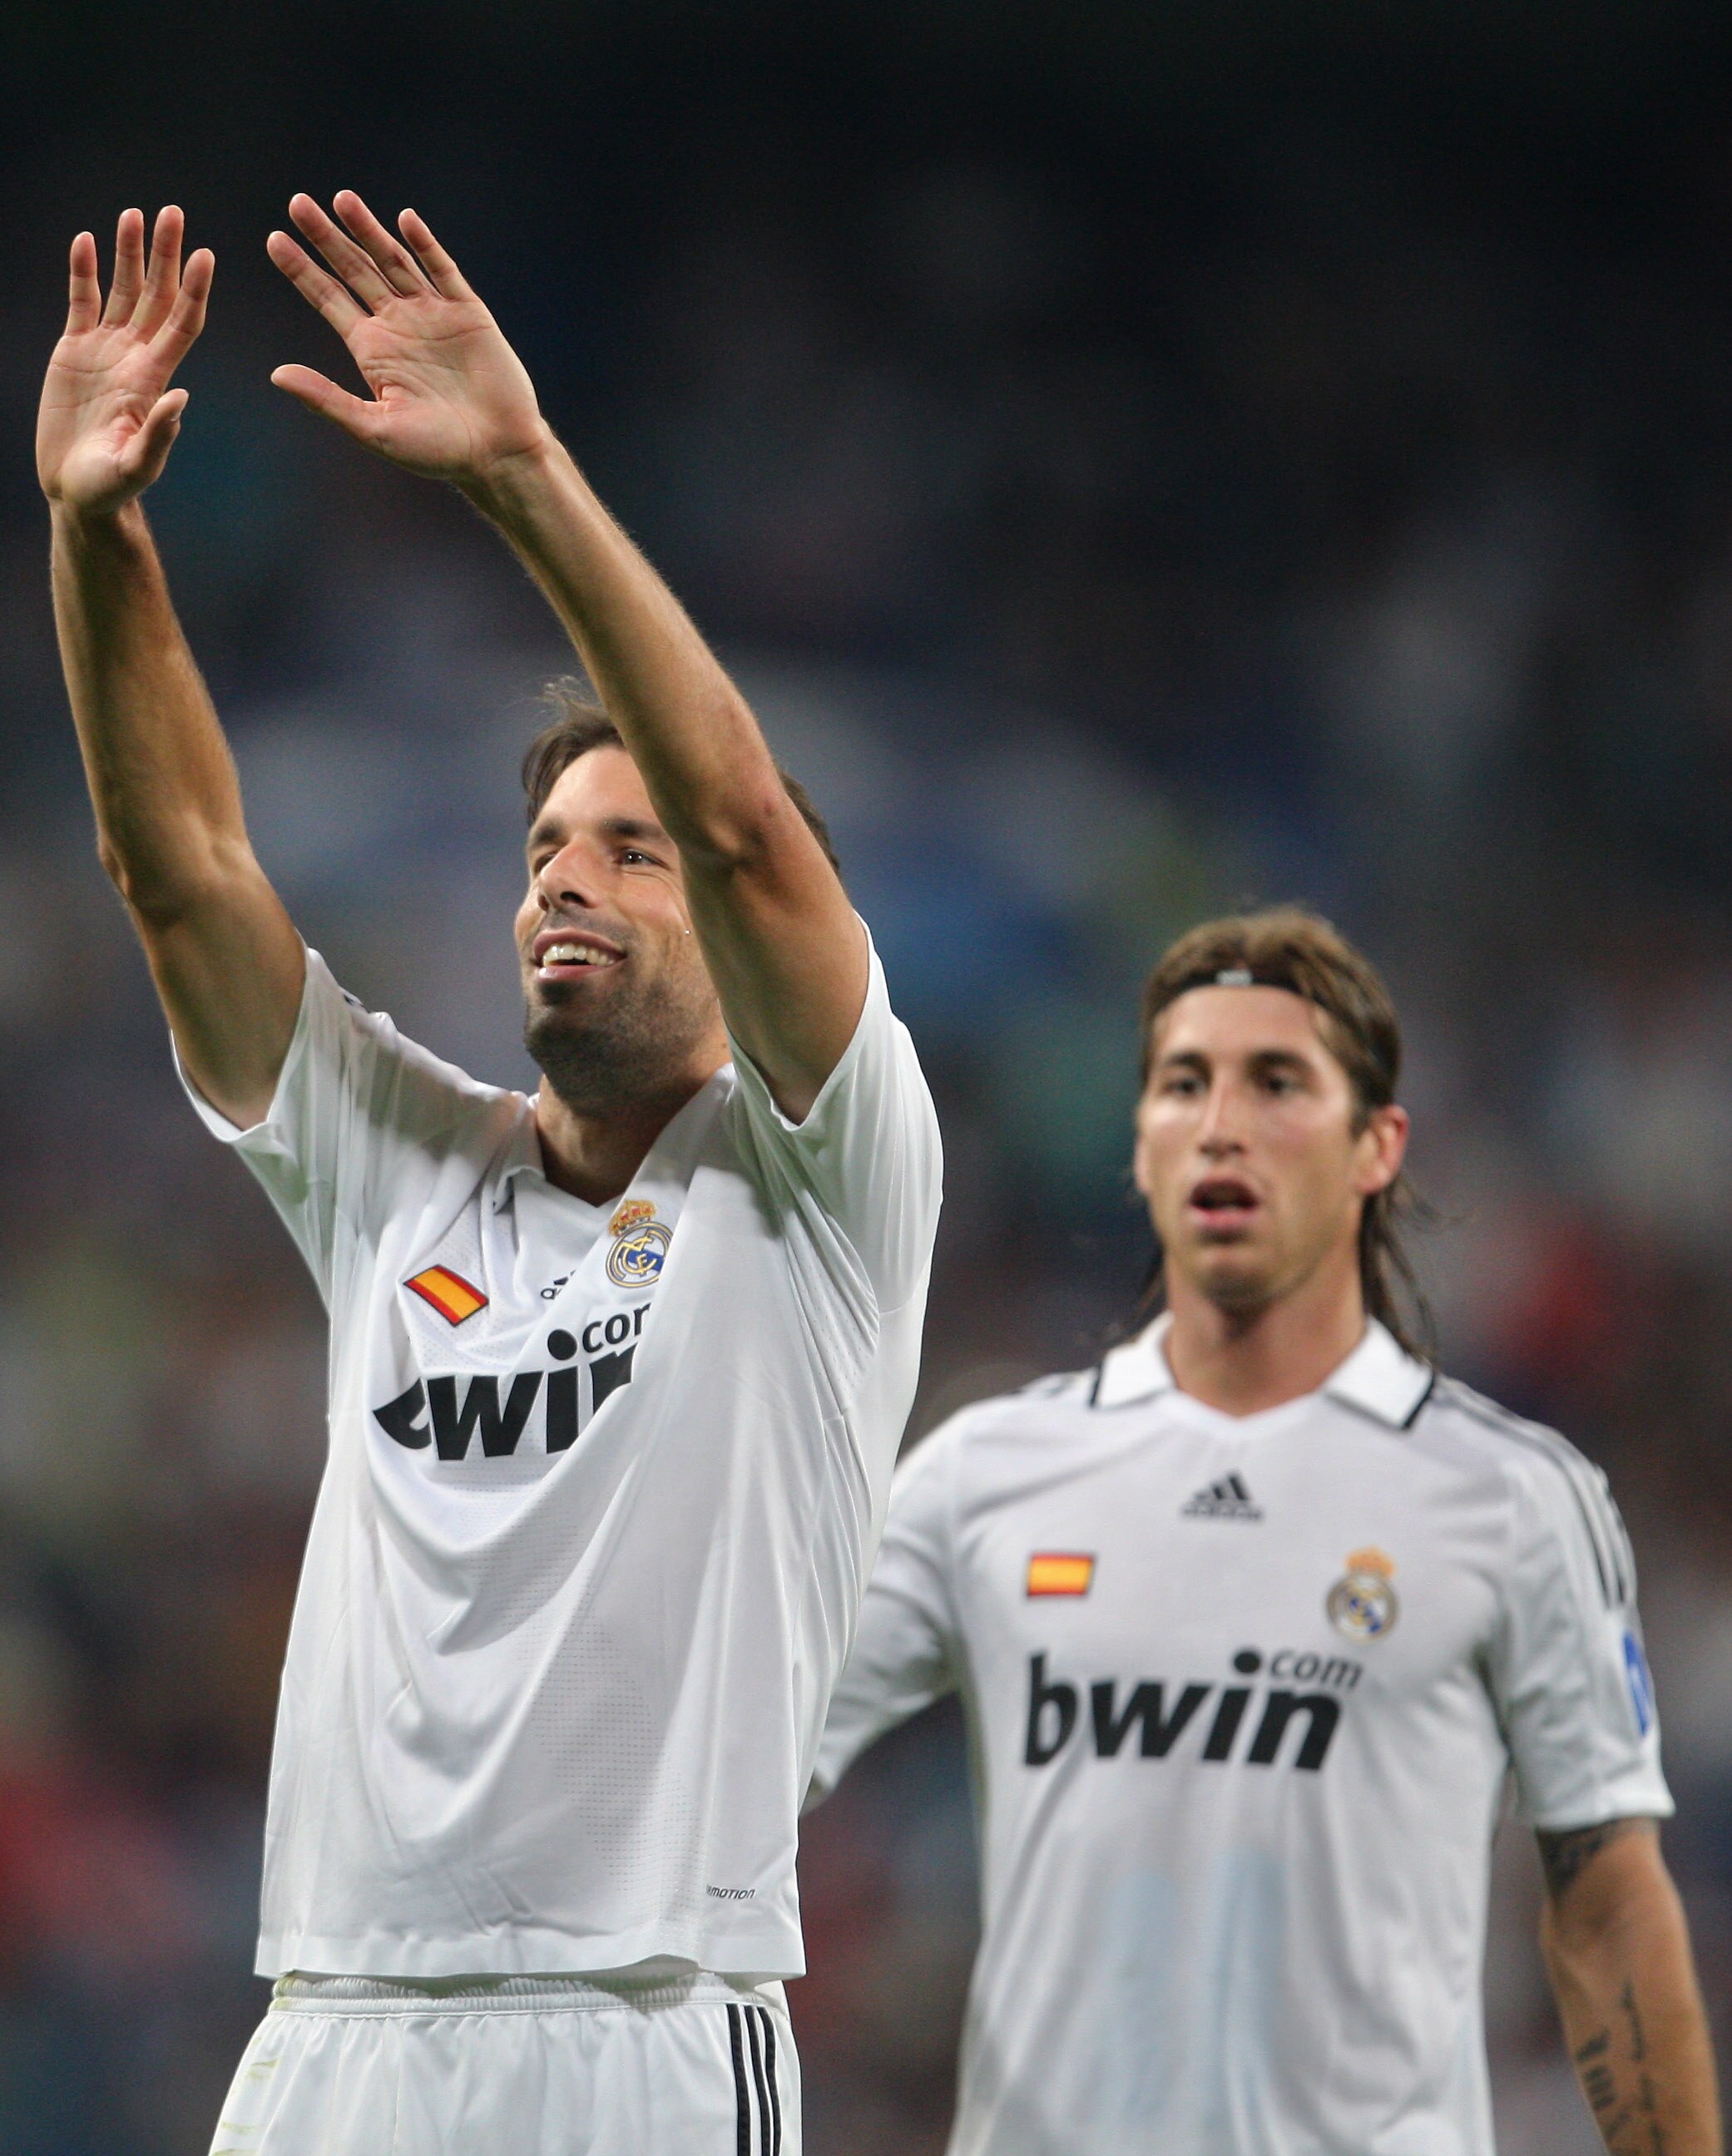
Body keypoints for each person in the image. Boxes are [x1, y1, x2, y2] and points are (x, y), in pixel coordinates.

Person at [37, 194, 942, 2155]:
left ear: (725, 910)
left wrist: (523, 471)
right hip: (331, 2029)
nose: (567, 877)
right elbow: (180, 869)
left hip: (642, 2029)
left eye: (630, 854)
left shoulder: (828, 1180)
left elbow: (748, 814)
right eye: (546, 846)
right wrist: (95, 530)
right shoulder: (398, 1171)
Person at [809, 909, 1720, 2156]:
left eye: (1276, 1082)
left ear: (1375, 1148)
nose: (1221, 1123)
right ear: (1141, 1148)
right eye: (1184, 1085)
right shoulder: (987, 1472)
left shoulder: (1509, 1497)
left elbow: (1608, 1904)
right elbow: (742, 1753)